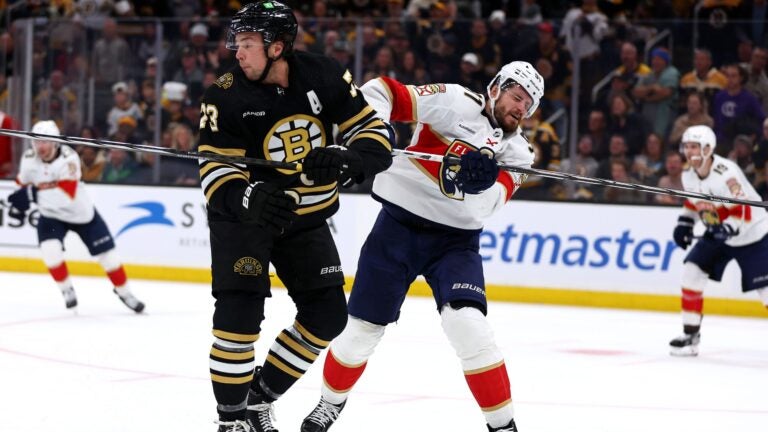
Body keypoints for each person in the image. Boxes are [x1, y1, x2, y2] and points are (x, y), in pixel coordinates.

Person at [301, 61, 544, 432]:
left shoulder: (519, 154)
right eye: (516, 96)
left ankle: (504, 425)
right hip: (397, 229)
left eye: (528, 105)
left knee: (469, 327)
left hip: (455, 243)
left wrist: (479, 184)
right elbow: (379, 91)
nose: (520, 108)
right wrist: (376, 134)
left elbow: (486, 207)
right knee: (360, 332)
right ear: (495, 88)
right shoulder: (453, 101)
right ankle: (328, 404)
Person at [196, 2, 393, 432]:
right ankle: (230, 423)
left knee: (327, 316)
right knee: (239, 318)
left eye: (247, 43)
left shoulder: (324, 74)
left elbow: (376, 136)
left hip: (304, 218)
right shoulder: (223, 95)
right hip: (243, 222)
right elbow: (215, 175)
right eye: (237, 43)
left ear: (277, 47)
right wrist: (247, 197)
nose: (238, 52)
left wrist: (346, 158)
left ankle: (257, 400)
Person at [5, 120, 145, 313]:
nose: (40, 147)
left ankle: (124, 292)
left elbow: (65, 198)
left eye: (44, 142)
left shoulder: (69, 159)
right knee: (50, 254)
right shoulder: (29, 159)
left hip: (81, 214)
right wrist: (17, 204)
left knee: (110, 258)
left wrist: (31, 195)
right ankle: (66, 290)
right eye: (36, 142)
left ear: (55, 143)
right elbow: (21, 184)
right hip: (51, 216)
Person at [670, 125, 768, 356]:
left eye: (694, 146)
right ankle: (690, 336)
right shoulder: (688, 175)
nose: (689, 151)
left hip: (753, 234)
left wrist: (727, 228)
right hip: (719, 234)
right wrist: (684, 223)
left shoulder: (727, 173)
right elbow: (694, 203)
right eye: (687, 146)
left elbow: (743, 208)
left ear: (707, 148)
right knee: (691, 272)